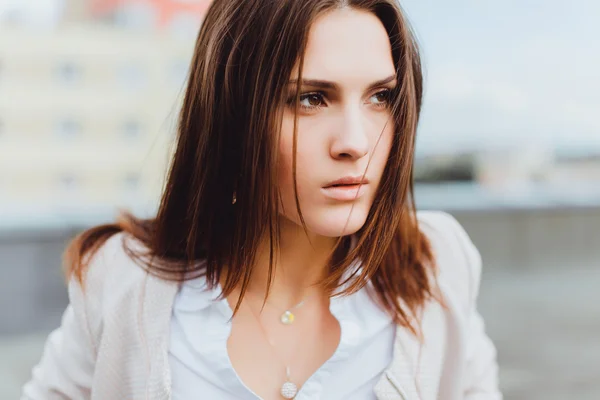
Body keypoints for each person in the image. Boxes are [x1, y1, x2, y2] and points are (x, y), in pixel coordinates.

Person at [22, 0, 501, 399]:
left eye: (380, 97)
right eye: (311, 98)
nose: (356, 142)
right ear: (233, 114)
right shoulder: (124, 284)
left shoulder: (435, 266)